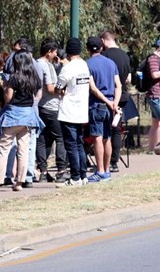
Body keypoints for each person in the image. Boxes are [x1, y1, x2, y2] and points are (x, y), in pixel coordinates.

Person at [0, 51, 43, 192]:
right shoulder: (34, 78)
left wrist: (4, 86)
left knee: (3, 148)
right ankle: (19, 182)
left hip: (13, 115)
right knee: (23, 150)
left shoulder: (13, 78)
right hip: (28, 116)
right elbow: (34, 95)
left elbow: (8, 98)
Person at [55, 38, 92, 188]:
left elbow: (58, 88)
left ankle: (75, 177)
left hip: (69, 110)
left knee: (71, 145)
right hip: (81, 110)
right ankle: (83, 175)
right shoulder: (84, 65)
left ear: (68, 51)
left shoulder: (68, 68)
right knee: (79, 143)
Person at [84, 36, 120, 183]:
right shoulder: (111, 64)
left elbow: (93, 88)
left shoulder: (87, 64)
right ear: (101, 48)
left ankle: (99, 171)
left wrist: (107, 101)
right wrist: (114, 104)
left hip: (96, 105)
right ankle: (106, 170)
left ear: (87, 49)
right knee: (108, 138)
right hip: (110, 106)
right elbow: (118, 85)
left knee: (97, 137)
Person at [35, 38, 67, 182]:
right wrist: (61, 90)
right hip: (51, 106)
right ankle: (61, 169)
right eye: (54, 52)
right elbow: (49, 88)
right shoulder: (46, 65)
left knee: (43, 139)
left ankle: (43, 170)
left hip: (40, 106)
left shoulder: (35, 63)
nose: (56, 55)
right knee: (60, 138)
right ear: (48, 52)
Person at [100, 31, 132, 174]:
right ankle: (114, 161)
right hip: (123, 96)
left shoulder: (105, 56)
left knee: (106, 130)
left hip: (108, 97)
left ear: (103, 40)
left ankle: (105, 161)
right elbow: (128, 79)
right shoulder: (125, 56)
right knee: (117, 129)